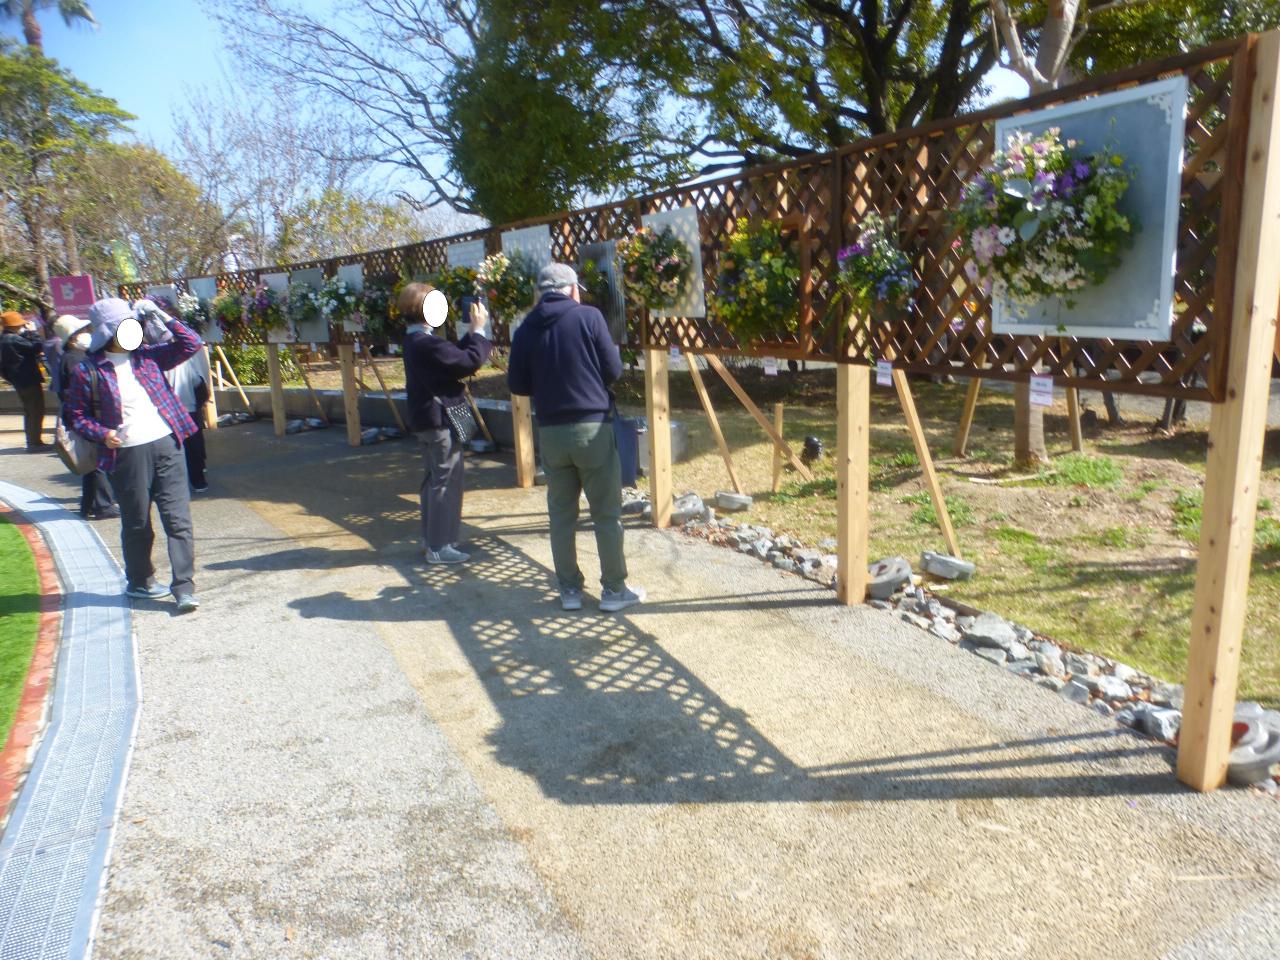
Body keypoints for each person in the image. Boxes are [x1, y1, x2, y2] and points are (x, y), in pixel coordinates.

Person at [507, 263, 643, 613]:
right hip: (592, 428)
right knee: (606, 514)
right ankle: (613, 590)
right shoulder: (589, 317)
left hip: (551, 431)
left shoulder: (525, 328)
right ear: (571, 289)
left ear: (541, 292)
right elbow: (613, 370)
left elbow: (517, 384)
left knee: (561, 516)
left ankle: (569, 589)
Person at [64, 297, 203, 613]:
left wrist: (159, 314)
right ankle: (140, 581)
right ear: (108, 331)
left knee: (178, 520)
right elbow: (75, 415)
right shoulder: (88, 370)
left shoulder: (148, 357)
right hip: (126, 454)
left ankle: (184, 587)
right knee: (138, 523)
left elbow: (191, 343)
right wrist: (103, 434)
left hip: (167, 443)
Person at [402, 282, 493, 564]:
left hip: (425, 420)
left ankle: (432, 539)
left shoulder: (415, 341)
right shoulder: (427, 343)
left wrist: (471, 334)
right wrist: (479, 332)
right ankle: (440, 546)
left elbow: (451, 357)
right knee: (446, 481)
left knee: (433, 479)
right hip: (439, 420)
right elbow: (467, 362)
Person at [51, 314, 118, 520]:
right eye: (81, 332)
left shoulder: (71, 357)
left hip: (80, 416)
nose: (87, 334)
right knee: (96, 461)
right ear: (72, 339)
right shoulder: (74, 359)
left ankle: (88, 505)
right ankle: (103, 505)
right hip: (86, 416)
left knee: (91, 461)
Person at [165, 343, 212, 492]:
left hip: (168, 412)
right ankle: (198, 481)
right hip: (189, 408)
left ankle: (175, 483)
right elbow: (197, 381)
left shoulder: (157, 362)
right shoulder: (185, 360)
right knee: (194, 446)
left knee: (172, 447)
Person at [1, 310, 47, 451]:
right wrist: (33, 333)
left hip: (19, 381)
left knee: (29, 410)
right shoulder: (14, 339)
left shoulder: (4, 340)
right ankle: (34, 443)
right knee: (36, 410)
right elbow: (36, 347)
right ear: (15, 325)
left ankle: (32, 440)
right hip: (29, 379)